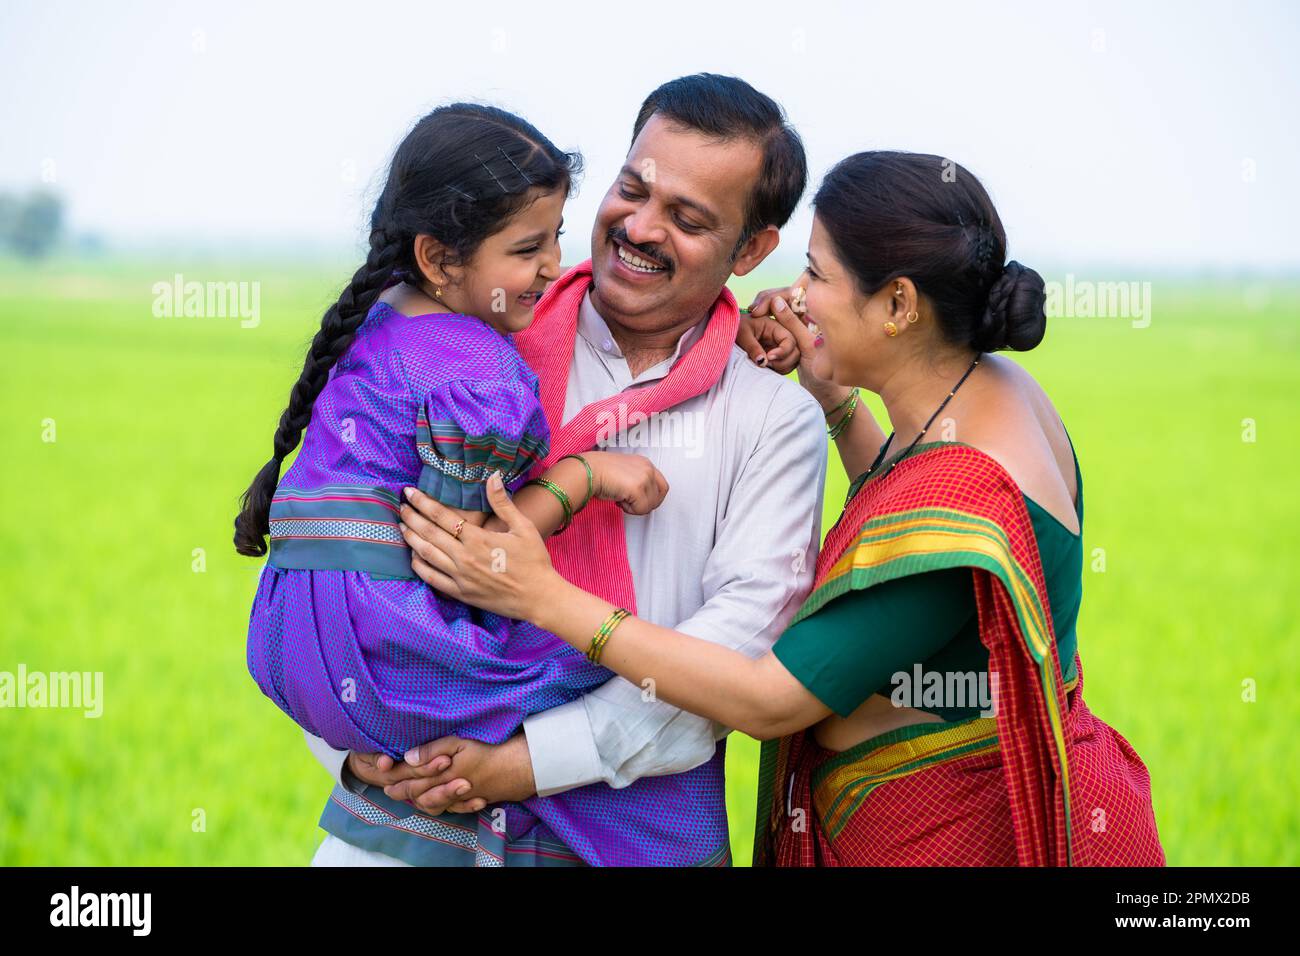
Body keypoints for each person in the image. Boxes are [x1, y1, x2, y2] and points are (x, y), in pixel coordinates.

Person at [400, 150, 1167, 866]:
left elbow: (768, 698)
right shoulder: (995, 393)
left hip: (946, 830)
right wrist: (834, 397)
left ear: (898, 302)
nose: (794, 299)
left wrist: (545, 598)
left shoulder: (962, 498)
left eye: (818, 275)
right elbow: (901, 501)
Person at [303, 75, 827, 866]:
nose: (641, 228)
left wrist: (523, 766)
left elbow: (733, 662)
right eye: (632, 189)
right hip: (401, 822)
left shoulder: (769, 423)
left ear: (752, 249)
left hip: (628, 841)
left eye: (687, 219)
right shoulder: (469, 341)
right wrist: (349, 746)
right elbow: (330, 563)